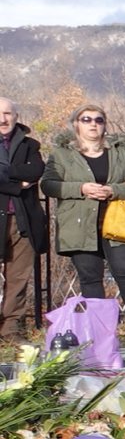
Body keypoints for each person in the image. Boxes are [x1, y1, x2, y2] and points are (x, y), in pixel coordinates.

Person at [41, 104, 125, 333]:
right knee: (90, 276)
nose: (93, 124)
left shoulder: (120, 152)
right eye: (86, 119)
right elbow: (48, 185)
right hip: (78, 224)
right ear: (76, 124)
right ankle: (101, 328)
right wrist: (81, 188)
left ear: (105, 125)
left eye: (98, 120)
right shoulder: (62, 154)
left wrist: (113, 190)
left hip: (118, 221)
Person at [0, 100, 48, 341]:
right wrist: (18, 184)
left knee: (18, 277)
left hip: (23, 220)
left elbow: (36, 171)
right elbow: (25, 177)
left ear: (16, 116)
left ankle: (11, 329)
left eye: (7, 113)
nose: (3, 119)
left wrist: (5, 172)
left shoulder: (30, 145)